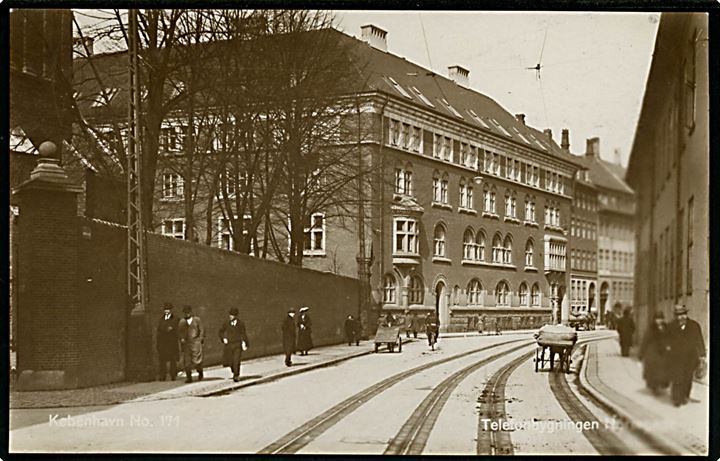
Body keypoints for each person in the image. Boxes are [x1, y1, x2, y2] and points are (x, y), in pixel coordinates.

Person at [666, 304, 706, 407]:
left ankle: (684, 396)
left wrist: (702, 355)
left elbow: (699, 340)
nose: (681, 317)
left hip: (690, 358)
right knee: (677, 377)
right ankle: (677, 398)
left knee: (687, 378)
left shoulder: (694, 326)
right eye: (678, 315)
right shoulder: (671, 326)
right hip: (676, 358)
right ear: (675, 316)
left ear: (686, 314)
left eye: (683, 314)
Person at [638, 311, 670, 395]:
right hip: (653, 352)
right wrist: (641, 355)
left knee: (664, 370)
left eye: (661, 319)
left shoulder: (666, 327)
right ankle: (654, 387)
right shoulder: (651, 329)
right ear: (655, 320)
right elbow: (645, 341)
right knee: (654, 371)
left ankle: (662, 384)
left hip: (663, 351)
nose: (659, 321)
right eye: (657, 319)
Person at [219, 307, 249, 382]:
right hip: (229, 345)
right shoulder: (226, 323)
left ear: (236, 316)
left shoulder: (241, 323)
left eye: (232, 315)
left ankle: (236, 375)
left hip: (237, 344)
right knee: (231, 362)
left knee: (236, 360)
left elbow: (244, 333)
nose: (230, 316)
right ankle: (234, 370)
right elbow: (221, 332)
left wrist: (245, 343)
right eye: (230, 315)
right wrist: (223, 338)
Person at [178, 305, 205, 383]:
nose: (187, 314)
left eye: (188, 312)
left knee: (197, 361)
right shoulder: (182, 322)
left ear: (191, 312)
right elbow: (179, 332)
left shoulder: (197, 320)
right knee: (187, 362)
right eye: (185, 313)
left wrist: (200, 339)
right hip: (186, 344)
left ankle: (200, 372)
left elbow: (202, 330)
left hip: (196, 343)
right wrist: (182, 338)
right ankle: (189, 377)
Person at [156, 302, 179, 381]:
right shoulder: (161, 319)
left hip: (171, 343)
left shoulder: (175, 319)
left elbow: (175, 329)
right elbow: (159, 330)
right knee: (162, 360)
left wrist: (169, 329)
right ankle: (163, 376)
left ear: (171, 310)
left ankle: (173, 375)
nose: (167, 311)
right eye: (165, 310)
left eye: (168, 309)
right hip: (163, 343)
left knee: (172, 360)